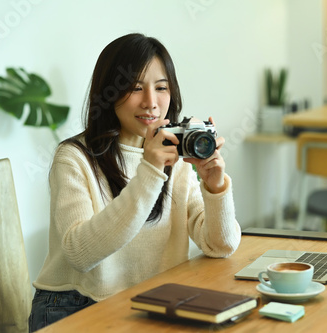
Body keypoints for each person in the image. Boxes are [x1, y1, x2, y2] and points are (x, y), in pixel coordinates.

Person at [28, 33, 241, 332]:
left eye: (161, 87)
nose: (151, 103)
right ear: (109, 92)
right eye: (135, 88)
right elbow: (80, 254)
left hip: (149, 302)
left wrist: (215, 187)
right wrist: (151, 170)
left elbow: (221, 245)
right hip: (74, 306)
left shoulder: (174, 154)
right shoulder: (75, 157)